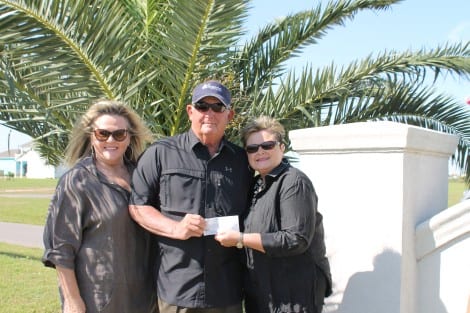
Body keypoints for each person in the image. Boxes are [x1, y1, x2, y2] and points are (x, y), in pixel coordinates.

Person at [129, 80, 252, 313]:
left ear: (230, 115)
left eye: (218, 107)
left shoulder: (242, 161)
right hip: (178, 289)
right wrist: (175, 229)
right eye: (202, 106)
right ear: (190, 111)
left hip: (227, 291)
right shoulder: (160, 153)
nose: (209, 113)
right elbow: (137, 207)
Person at [42, 99, 157, 313]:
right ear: (91, 135)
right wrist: (72, 300)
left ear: (130, 137)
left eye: (119, 134)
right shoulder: (77, 182)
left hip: (145, 299)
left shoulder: (142, 177)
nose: (111, 140)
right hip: (98, 300)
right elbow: (61, 250)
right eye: (103, 133)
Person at [215, 116, 333, 313]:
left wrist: (241, 239)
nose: (260, 151)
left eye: (267, 145)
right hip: (264, 294)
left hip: (293, 295)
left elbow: (296, 239)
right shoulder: (255, 186)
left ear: (282, 147)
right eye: (252, 148)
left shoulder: (294, 183)